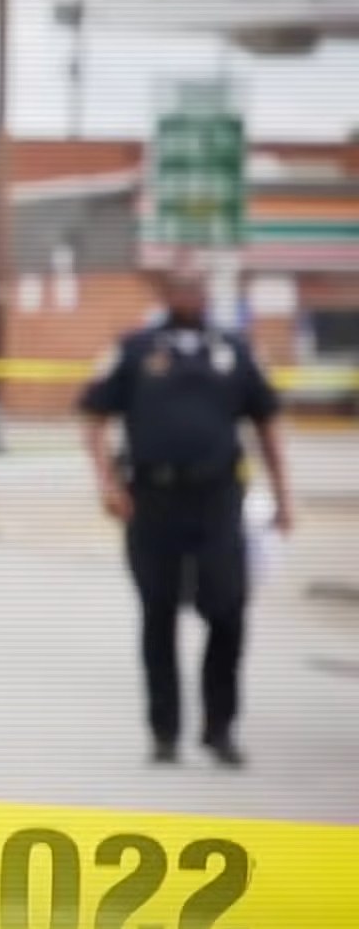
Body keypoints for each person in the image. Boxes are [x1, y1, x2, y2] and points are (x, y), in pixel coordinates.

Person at [78, 269, 294, 769]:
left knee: (228, 611)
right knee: (157, 613)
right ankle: (164, 731)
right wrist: (107, 484)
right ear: (166, 294)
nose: (190, 297)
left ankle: (220, 728)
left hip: (217, 498)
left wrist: (284, 496)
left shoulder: (235, 351)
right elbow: (94, 418)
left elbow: (266, 423)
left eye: (197, 289)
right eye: (180, 289)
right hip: (152, 498)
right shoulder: (134, 350)